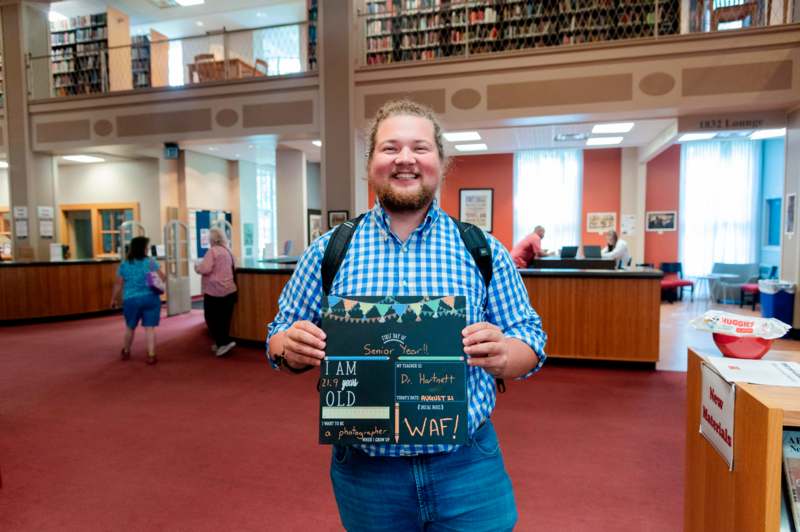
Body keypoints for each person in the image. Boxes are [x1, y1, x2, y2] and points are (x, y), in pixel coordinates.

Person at [267, 99, 547, 531]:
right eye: (389, 148)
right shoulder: (328, 251)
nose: (404, 159)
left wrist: (505, 354)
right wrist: (290, 346)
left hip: (467, 464)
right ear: (371, 163)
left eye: (419, 148)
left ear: (440, 162)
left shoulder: (482, 249)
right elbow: (278, 335)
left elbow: (530, 338)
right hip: (366, 473)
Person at [111, 236, 165, 365]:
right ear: (143, 249)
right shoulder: (151, 262)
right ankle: (151, 355)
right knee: (150, 328)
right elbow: (162, 278)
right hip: (151, 298)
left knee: (130, 327)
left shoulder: (125, 264)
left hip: (131, 300)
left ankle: (126, 351)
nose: (147, 249)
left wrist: (113, 299)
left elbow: (118, 284)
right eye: (146, 247)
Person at [194, 227, 238, 357]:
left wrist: (196, 267)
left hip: (214, 291)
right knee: (224, 319)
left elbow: (205, 269)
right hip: (229, 290)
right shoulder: (228, 251)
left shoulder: (212, 252)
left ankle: (223, 343)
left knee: (211, 318)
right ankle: (222, 342)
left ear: (212, 239)